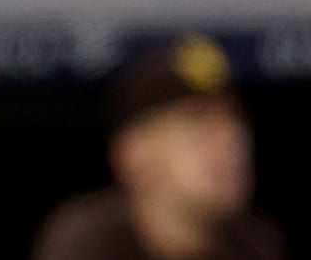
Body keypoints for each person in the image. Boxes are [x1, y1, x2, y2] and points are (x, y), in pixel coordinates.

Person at [30, 33, 286, 259]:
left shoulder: (256, 245)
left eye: (234, 121)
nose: (232, 142)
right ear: (132, 154)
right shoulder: (86, 243)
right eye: (198, 124)